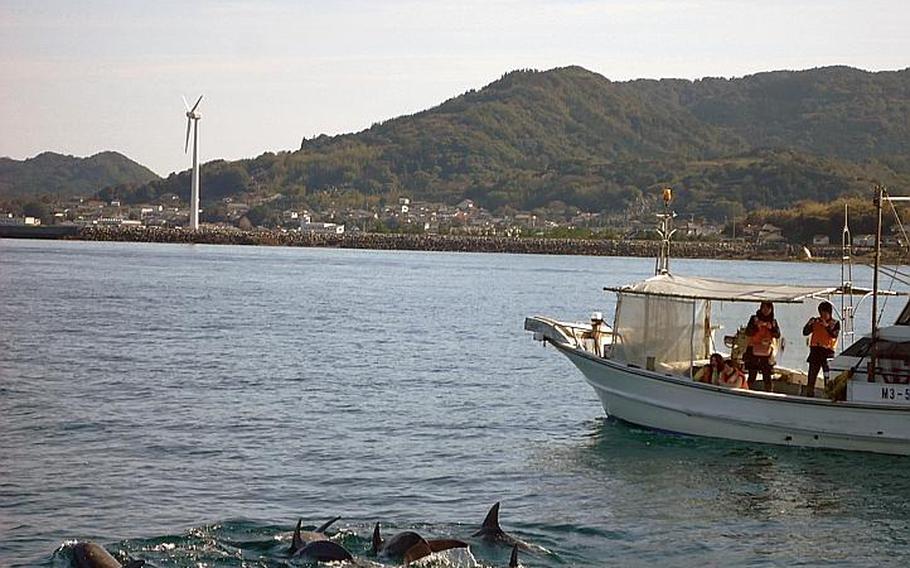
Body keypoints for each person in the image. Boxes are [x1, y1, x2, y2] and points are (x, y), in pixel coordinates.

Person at [802, 301, 840, 397]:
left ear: (829, 313)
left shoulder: (835, 323)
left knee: (827, 377)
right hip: (815, 351)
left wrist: (826, 326)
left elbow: (834, 335)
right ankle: (810, 394)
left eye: (825, 313)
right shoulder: (816, 322)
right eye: (821, 313)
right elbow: (805, 332)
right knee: (811, 376)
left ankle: (829, 395)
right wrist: (809, 324)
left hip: (827, 353)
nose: (823, 315)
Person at [744, 301, 781, 391]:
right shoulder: (754, 319)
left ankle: (768, 392)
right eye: (763, 308)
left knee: (767, 374)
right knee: (752, 373)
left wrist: (771, 328)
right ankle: (748, 390)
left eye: (768, 308)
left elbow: (777, 335)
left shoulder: (773, 321)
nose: (765, 310)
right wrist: (756, 326)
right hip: (753, 349)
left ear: (771, 310)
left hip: (766, 351)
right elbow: (748, 332)